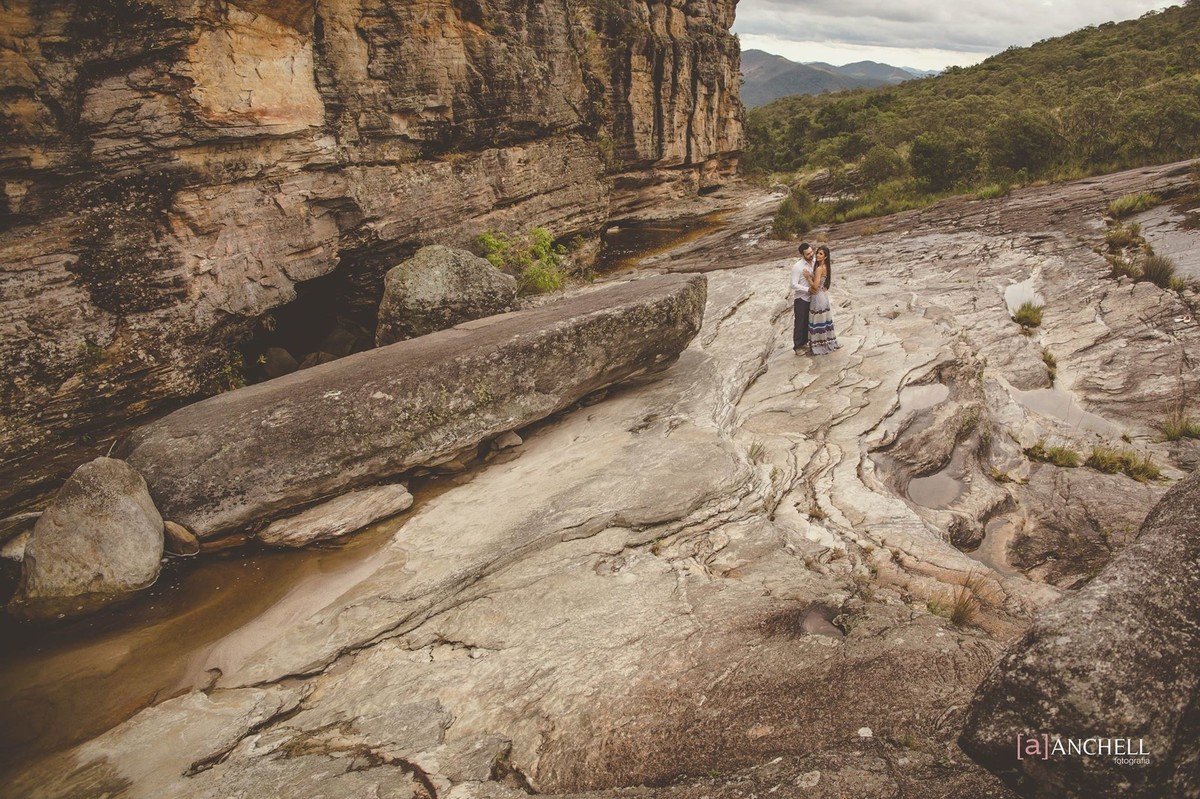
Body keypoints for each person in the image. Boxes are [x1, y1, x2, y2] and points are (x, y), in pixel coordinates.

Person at [807, 244, 841, 355]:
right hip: (823, 297)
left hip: (817, 297)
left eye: (821, 254)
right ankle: (827, 343)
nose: (818, 255)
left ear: (825, 257)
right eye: (817, 253)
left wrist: (808, 278)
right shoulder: (826, 267)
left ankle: (820, 346)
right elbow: (825, 287)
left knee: (818, 321)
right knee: (824, 322)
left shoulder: (819, 269)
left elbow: (815, 286)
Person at [790, 242, 816, 354]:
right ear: (802, 255)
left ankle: (805, 342)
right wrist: (807, 290)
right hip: (801, 298)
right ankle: (798, 346)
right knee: (800, 322)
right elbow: (793, 284)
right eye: (808, 254)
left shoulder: (815, 262)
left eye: (811, 252)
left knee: (809, 321)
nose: (811, 255)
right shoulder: (797, 267)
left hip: (813, 298)